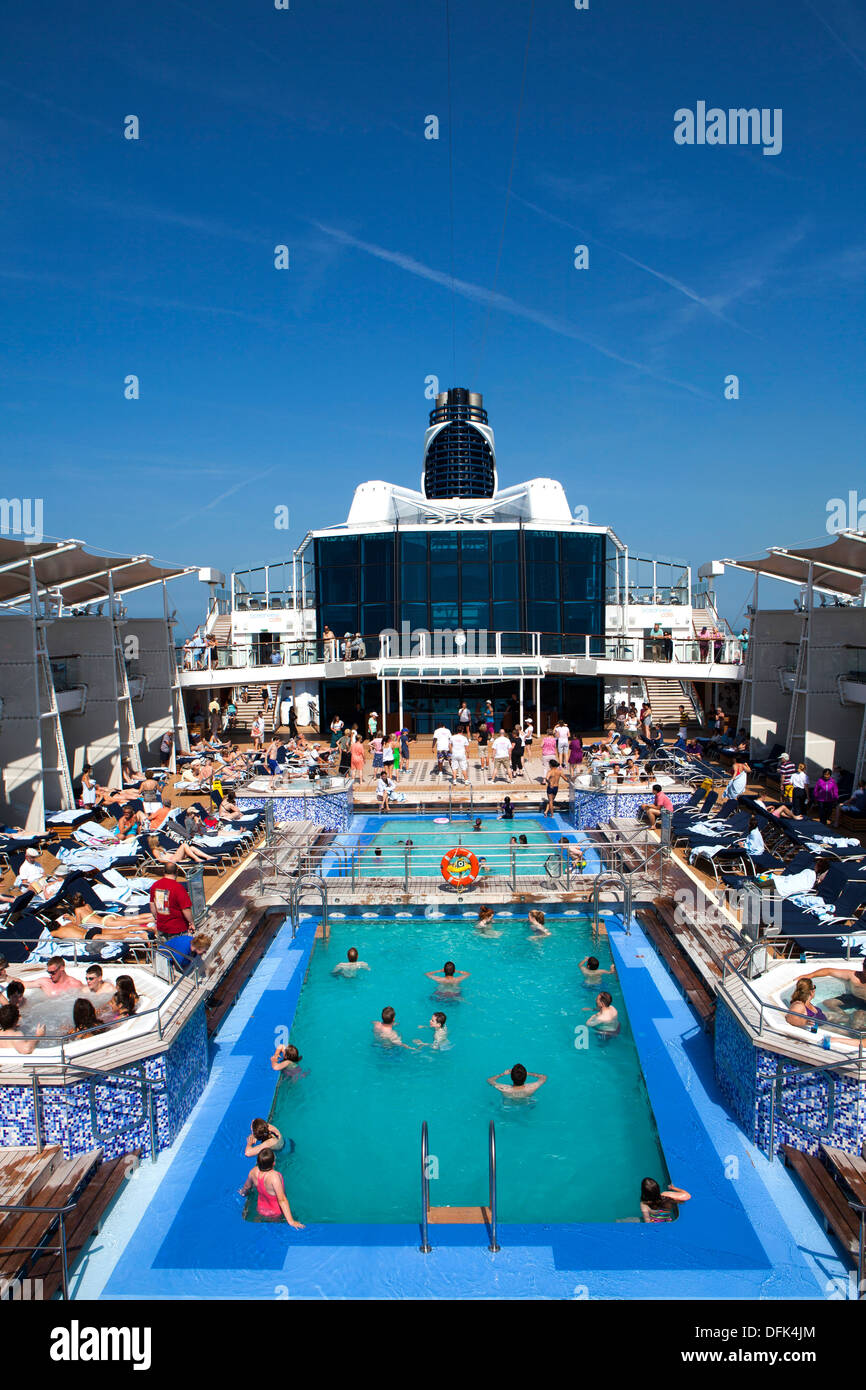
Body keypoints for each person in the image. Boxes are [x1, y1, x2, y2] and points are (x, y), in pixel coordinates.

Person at [240, 1149, 304, 1228]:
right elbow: (282, 1200)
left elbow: (247, 1187)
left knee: (257, 1224)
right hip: (275, 1212)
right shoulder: (275, 1177)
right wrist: (291, 1221)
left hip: (260, 1208)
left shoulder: (253, 1172)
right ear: (273, 1163)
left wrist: (242, 1192)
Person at [149, 863, 194, 959]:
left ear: (164, 871)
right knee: (178, 953)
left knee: (164, 952)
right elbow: (185, 909)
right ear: (176, 872)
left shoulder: (155, 885)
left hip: (162, 926)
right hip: (177, 928)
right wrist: (191, 922)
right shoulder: (178, 888)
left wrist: (157, 918)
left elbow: (152, 904)